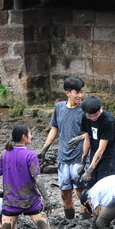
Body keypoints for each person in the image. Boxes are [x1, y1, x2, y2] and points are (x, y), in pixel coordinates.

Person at [0, 124, 55, 229]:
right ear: (24, 136)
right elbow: (38, 180)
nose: (31, 136)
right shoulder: (30, 155)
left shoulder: (4, 154)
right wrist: (47, 200)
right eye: (30, 133)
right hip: (31, 201)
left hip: (11, 202)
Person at [38, 77, 87, 220]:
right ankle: (69, 221)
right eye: (77, 92)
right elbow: (55, 129)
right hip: (63, 158)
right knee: (65, 193)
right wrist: (44, 150)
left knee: (81, 191)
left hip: (80, 157)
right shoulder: (59, 108)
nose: (80, 95)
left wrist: (81, 137)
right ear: (68, 93)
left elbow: (93, 132)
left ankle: (86, 220)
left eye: (81, 92)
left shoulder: (85, 110)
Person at [78, 96, 115, 187]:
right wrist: (83, 162)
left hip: (107, 160)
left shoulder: (108, 121)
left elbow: (101, 150)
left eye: (96, 115)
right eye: (90, 116)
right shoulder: (85, 117)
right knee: (91, 189)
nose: (93, 118)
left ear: (100, 109)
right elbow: (87, 139)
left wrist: (90, 170)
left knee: (103, 188)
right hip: (93, 157)